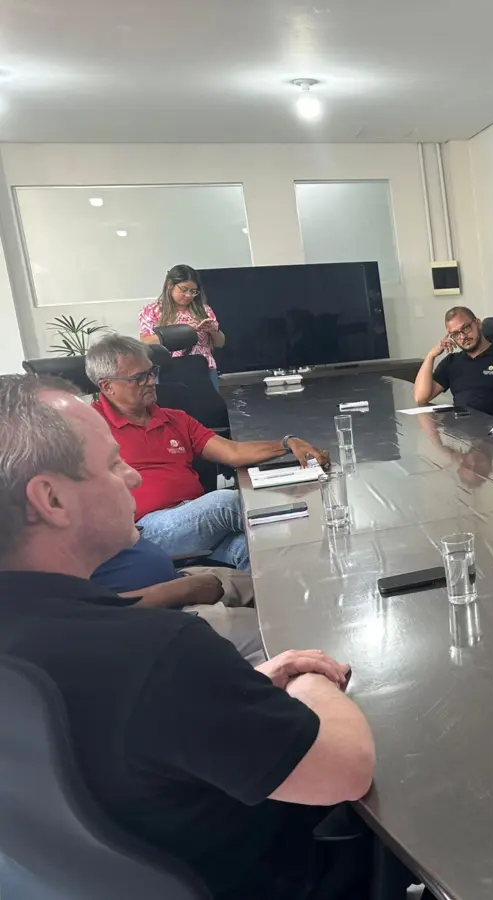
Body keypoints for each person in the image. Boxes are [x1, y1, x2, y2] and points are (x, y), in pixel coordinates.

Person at [0, 373, 383, 900]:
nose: (133, 477)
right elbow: (346, 771)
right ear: (51, 499)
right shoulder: (154, 654)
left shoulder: (53, 644)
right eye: (112, 464)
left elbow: (106, 736)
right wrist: (311, 680)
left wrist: (237, 688)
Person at [85, 334, 327, 570]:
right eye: (139, 378)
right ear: (107, 386)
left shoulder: (174, 419)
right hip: (144, 532)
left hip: (197, 519)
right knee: (226, 502)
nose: (150, 381)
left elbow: (232, 452)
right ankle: (322, 522)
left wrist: (286, 444)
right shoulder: (88, 428)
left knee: (260, 552)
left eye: (151, 372)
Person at [92, 535, 265, 665]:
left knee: (271, 584)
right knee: (272, 634)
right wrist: (182, 590)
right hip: (162, 619)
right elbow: (91, 614)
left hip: (179, 577)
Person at [139, 264, 225, 391]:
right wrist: (184, 330)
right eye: (184, 290)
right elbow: (145, 342)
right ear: (170, 285)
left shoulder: (204, 310)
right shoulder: (152, 310)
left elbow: (220, 343)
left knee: (209, 402)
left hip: (203, 369)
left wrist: (212, 330)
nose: (189, 295)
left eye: (193, 291)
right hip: (168, 371)